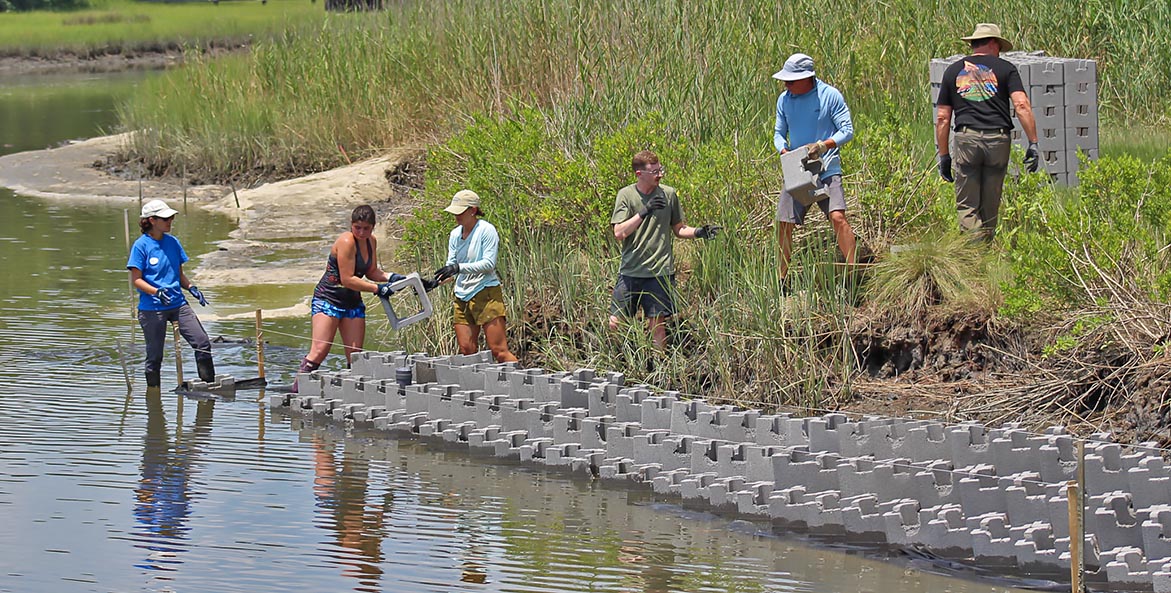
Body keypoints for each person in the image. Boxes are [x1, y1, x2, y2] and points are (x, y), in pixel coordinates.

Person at [296, 205, 432, 384]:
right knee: (320, 350)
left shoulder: (371, 241)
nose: (361, 232)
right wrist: (378, 289)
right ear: (351, 225)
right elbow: (347, 279)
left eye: (366, 228)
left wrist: (393, 278)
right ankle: (296, 391)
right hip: (328, 299)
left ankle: (352, 393)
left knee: (355, 356)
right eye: (357, 227)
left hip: (352, 302)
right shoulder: (346, 241)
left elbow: (372, 271)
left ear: (373, 227)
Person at [936, 23, 1040, 241]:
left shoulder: (953, 70)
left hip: (967, 139)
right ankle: (984, 250)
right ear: (993, 43)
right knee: (991, 202)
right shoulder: (1006, 69)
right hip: (998, 140)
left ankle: (974, 256)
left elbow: (943, 118)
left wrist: (944, 155)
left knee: (967, 205)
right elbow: (1021, 105)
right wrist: (1033, 143)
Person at [608, 150, 721, 348]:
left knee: (657, 325)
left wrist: (700, 232)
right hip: (631, 271)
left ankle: (658, 366)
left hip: (660, 271)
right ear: (639, 174)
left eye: (661, 170)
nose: (660, 175)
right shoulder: (626, 195)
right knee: (616, 323)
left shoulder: (668, 194)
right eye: (655, 172)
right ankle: (621, 363)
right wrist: (644, 211)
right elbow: (619, 232)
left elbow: (679, 229)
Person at [772, 52, 857, 280]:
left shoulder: (829, 96)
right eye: (785, 80)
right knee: (783, 223)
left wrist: (823, 145)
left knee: (837, 217)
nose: (786, 84)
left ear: (807, 77)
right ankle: (782, 279)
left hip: (827, 168)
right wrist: (784, 150)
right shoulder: (784, 100)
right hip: (797, 171)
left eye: (791, 80)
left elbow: (847, 131)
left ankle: (854, 271)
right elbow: (779, 133)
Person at [127, 199, 215, 388]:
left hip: (178, 304)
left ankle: (209, 388)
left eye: (171, 218)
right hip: (152, 308)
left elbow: (179, 274)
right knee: (155, 355)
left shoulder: (173, 243)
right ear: (151, 220)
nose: (170, 222)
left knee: (202, 342)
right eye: (165, 218)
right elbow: (136, 280)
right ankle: (154, 400)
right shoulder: (141, 246)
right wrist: (156, 291)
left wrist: (192, 287)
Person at [433, 190, 518, 363]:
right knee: (467, 350)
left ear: (472, 210)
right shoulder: (455, 235)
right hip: (462, 295)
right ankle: (479, 385)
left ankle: (523, 385)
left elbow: (488, 264)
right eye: (454, 212)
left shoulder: (486, 230)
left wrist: (458, 268)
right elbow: (451, 269)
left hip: (485, 292)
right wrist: (435, 282)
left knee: (498, 350)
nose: (456, 216)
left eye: (460, 211)